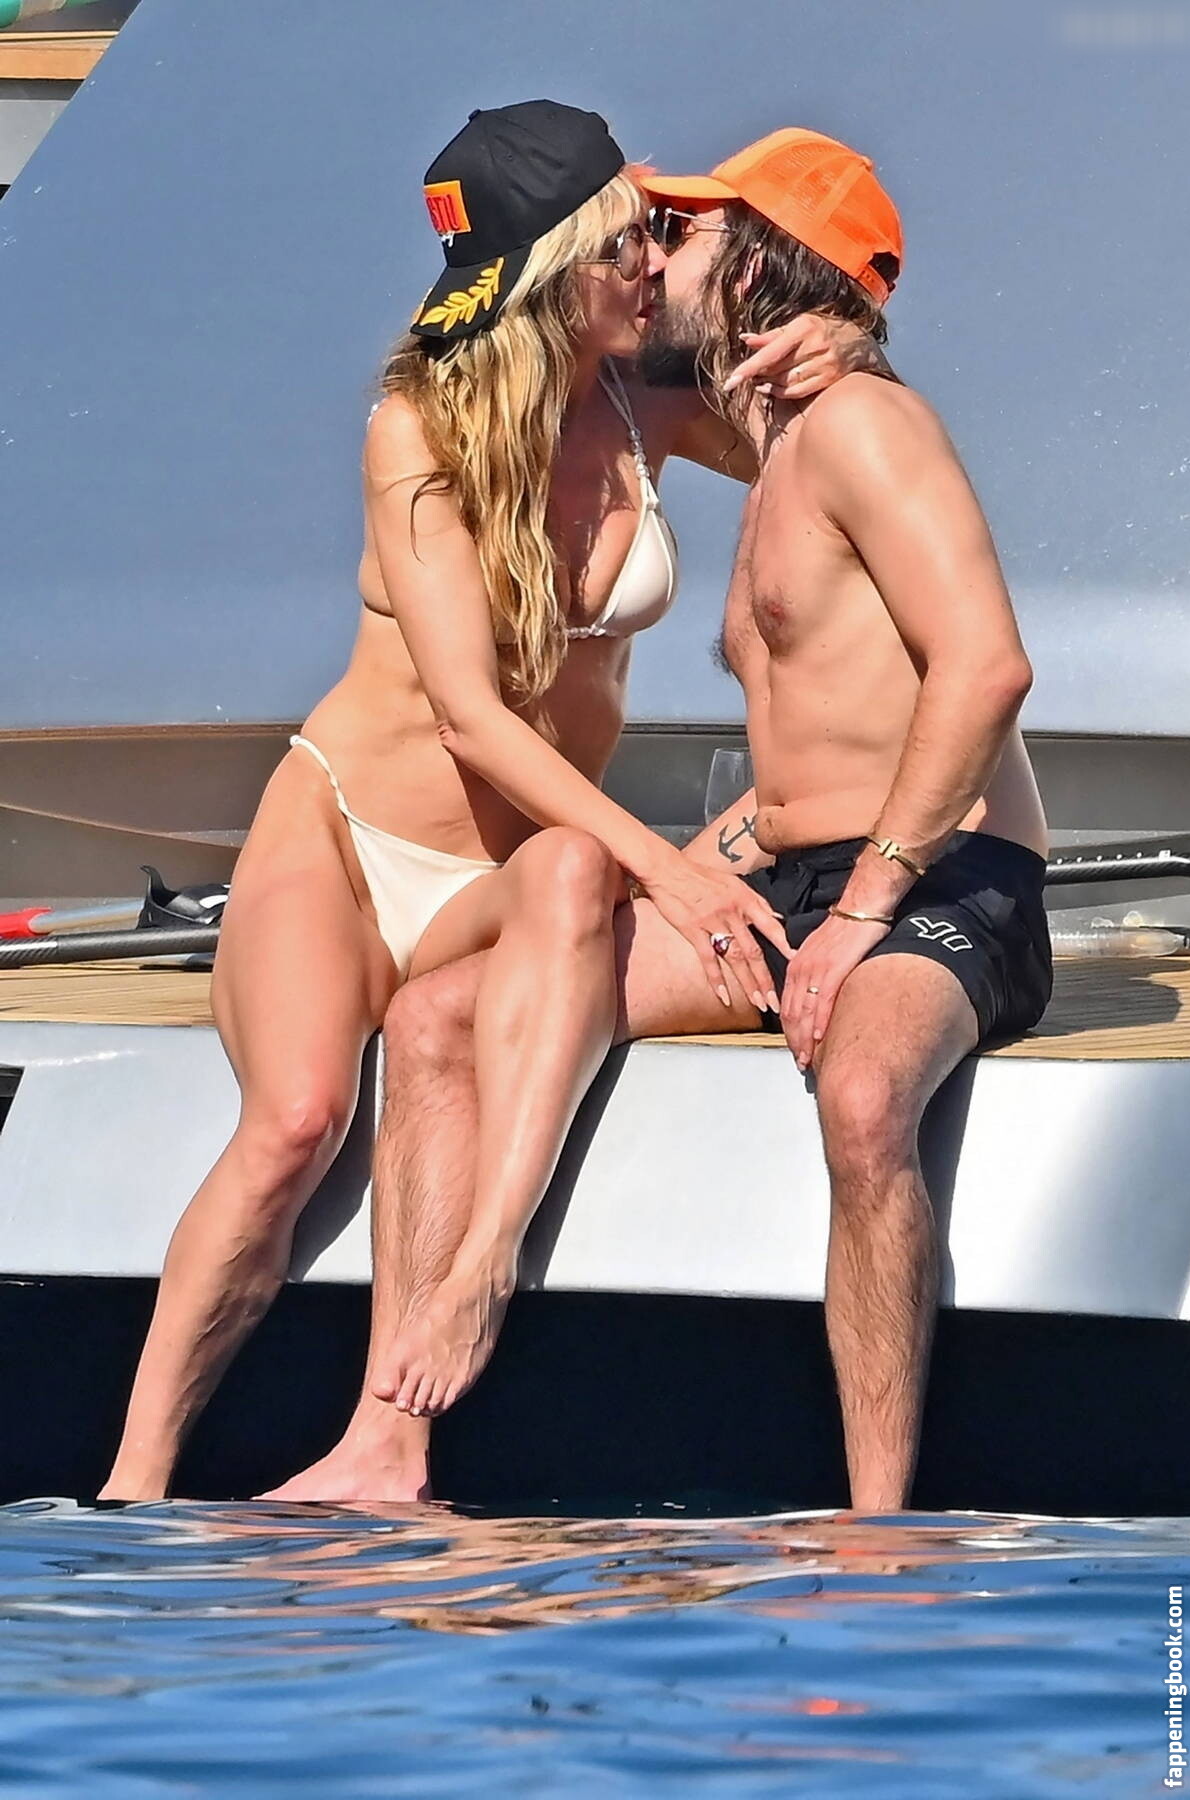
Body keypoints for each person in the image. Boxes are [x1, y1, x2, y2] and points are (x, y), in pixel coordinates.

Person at [100, 103, 876, 1501]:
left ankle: (405, 1405)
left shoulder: (649, 404)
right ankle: (128, 1491)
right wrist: (676, 872)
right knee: (293, 1125)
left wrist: (838, 351)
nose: (657, 260)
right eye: (633, 238)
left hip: (507, 871)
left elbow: (851, 452)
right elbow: (467, 713)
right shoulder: (419, 428)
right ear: (563, 271)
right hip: (350, 839)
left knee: (571, 869)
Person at [271, 128, 1051, 1513]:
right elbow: (521, 341)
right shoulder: (758, 421)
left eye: (682, 234)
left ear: (754, 264)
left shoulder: (864, 425)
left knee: (864, 1094)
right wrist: (694, 877)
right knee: (441, 1019)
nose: (650, 255)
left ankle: (877, 1528)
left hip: (940, 874)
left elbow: (987, 668)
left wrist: (864, 908)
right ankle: (387, 1443)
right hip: (794, 873)